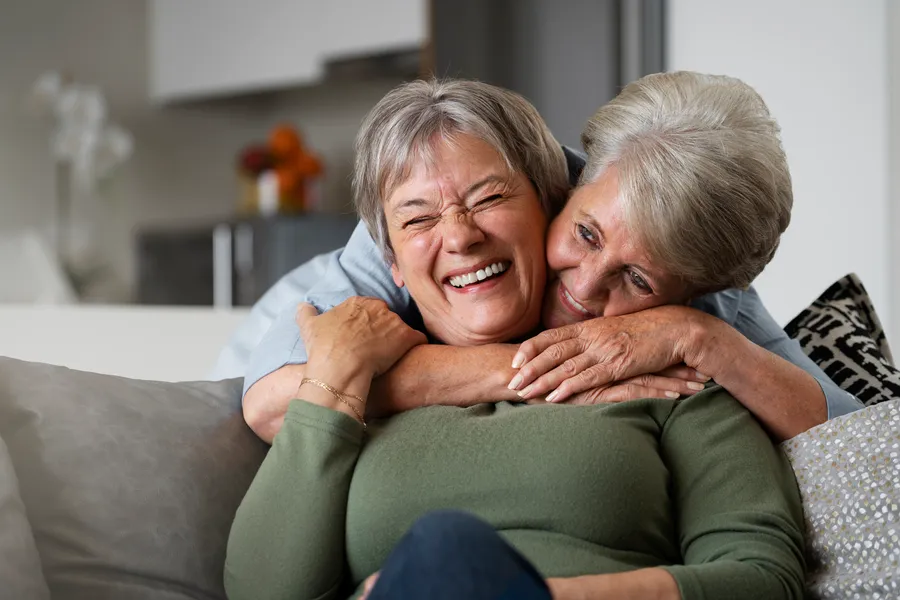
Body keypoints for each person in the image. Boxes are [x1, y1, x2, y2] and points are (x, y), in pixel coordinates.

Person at [224, 78, 806, 599]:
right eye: (418, 219)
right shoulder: (353, 384)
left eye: (490, 198)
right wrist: (336, 371)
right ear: (390, 262)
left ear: (546, 200)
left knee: (443, 552)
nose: (459, 236)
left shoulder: (671, 373)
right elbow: (263, 591)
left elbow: (762, 577)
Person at [235, 72, 862, 444]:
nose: (586, 289)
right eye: (586, 235)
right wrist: (538, 375)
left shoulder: (701, 277)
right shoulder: (425, 227)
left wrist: (696, 336)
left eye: (638, 280)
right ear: (568, 184)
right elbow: (272, 401)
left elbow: (846, 431)